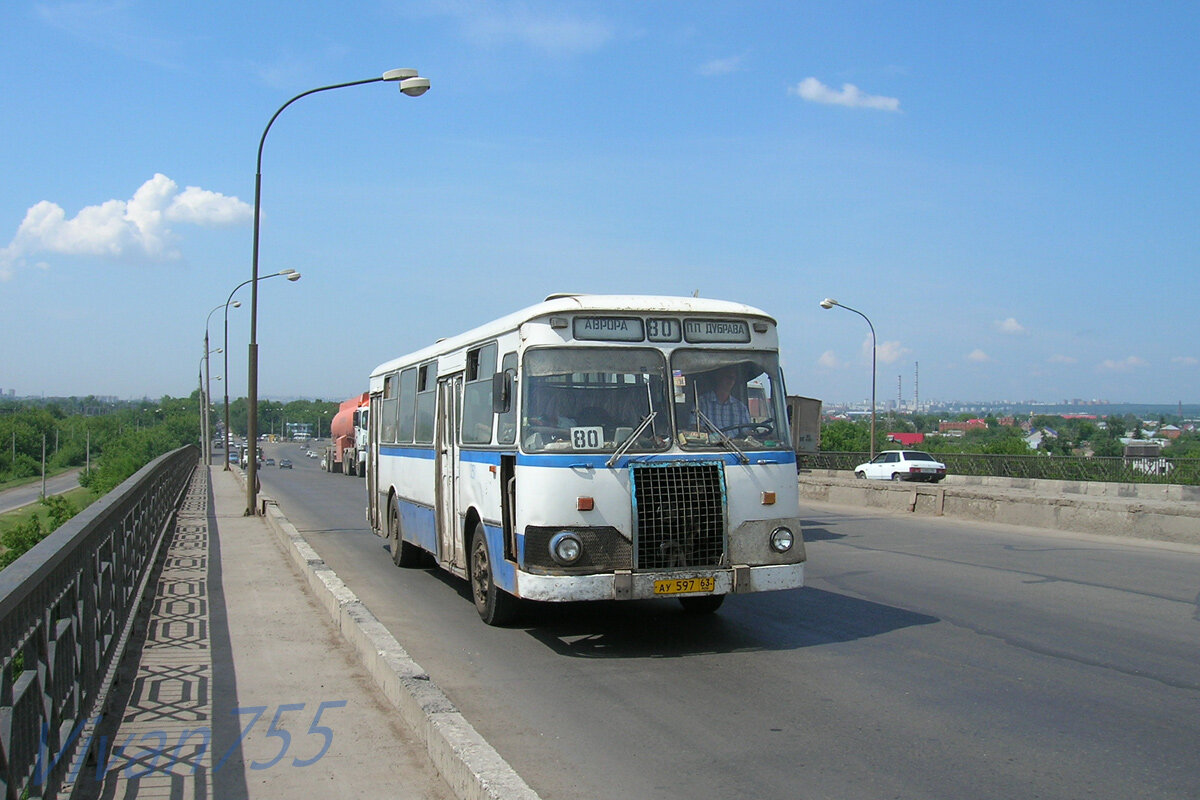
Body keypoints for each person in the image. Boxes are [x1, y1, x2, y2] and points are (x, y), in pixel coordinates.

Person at [695, 365, 752, 432]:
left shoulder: (741, 408)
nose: (731, 381)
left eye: (733, 378)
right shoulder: (702, 403)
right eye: (728, 377)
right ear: (718, 377)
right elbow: (695, 428)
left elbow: (747, 432)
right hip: (711, 442)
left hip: (736, 442)